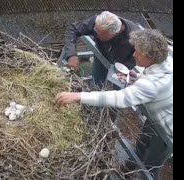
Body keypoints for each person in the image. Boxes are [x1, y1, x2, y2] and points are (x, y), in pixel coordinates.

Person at [56, 29, 173, 179]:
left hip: (167, 128)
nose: (134, 55)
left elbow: (119, 98)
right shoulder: (166, 56)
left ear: (150, 56)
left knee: (151, 163)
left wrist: (78, 96)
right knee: (143, 142)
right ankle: (130, 166)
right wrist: (137, 79)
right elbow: (152, 79)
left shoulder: (152, 84)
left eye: (138, 53)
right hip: (156, 115)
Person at [63, 11, 140, 86]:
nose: (97, 36)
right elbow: (73, 29)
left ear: (114, 33)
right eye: (96, 32)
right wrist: (71, 54)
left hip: (122, 64)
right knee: (96, 81)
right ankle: (95, 89)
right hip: (102, 55)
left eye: (102, 35)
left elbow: (139, 53)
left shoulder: (135, 35)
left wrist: (125, 68)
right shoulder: (99, 22)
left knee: (120, 86)